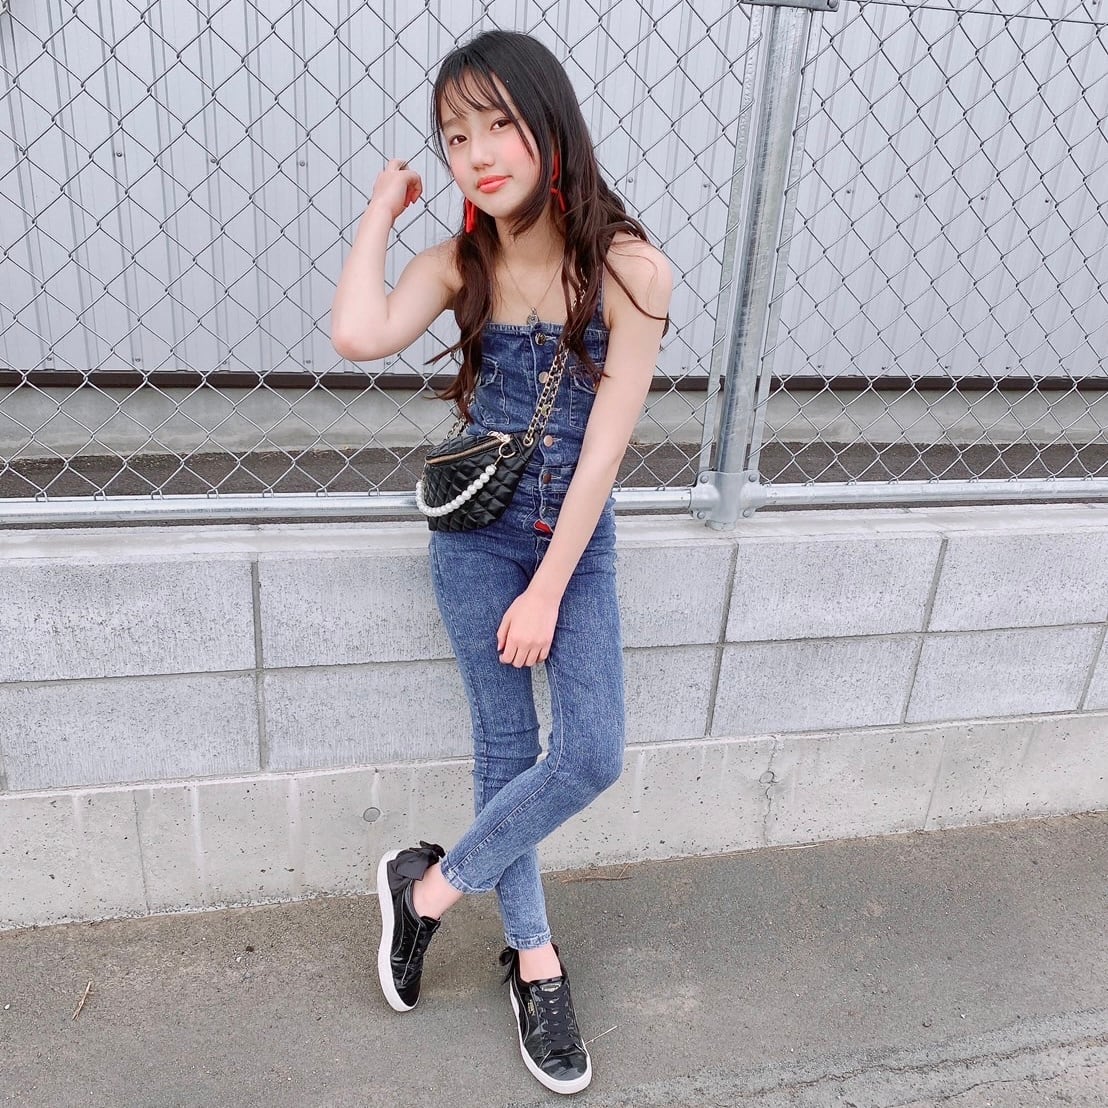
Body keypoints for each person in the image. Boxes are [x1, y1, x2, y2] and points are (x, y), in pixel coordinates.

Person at [330, 28, 671, 1096]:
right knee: (505, 747)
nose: (475, 153)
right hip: (473, 535)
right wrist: (382, 213)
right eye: (453, 135)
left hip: (570, 540)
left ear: (549, 123)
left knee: (590, 753)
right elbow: (358, 335)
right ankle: (535, 960)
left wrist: (551, 585)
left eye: (497, 123)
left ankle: (428, 892)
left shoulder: (631, 269)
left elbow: (603, 450)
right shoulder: (458, 262)